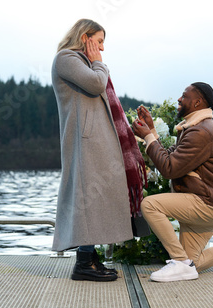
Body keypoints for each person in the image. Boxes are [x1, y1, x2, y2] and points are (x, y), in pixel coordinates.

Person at [132, 82, 213, 283]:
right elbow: (171, 159)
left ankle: (180, 264)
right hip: (212, 202)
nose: (179, 99)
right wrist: (151, 130)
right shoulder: (193, 127)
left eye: (184, 96)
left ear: (197, 102)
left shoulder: (200, 132)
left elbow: (169, 169)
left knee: (149, 205)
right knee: (194, 263)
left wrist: (148, 136)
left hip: (206, 202)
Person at [51, 19, 147, 281]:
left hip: (96, 142)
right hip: (86, 143)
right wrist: (98, 64)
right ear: (85, 38)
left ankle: (90, 258)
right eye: (100, 41)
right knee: (89, 199)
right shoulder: (66, 59)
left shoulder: (81, 62)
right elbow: (96, 84)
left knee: (97, 199)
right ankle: (83, 263)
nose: (102, 49)